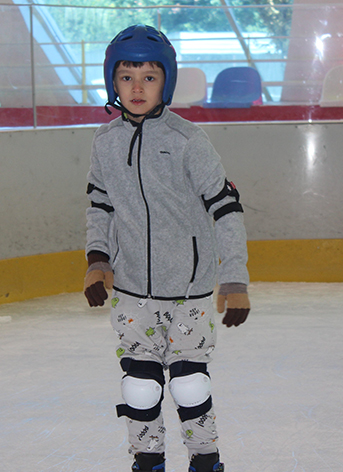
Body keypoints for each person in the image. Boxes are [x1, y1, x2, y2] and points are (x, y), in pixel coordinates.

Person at [83, 25, 251, 472]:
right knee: (139, 388)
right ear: (112, 81)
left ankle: (205, 461)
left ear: (167, 82)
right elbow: (100, 205)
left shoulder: (188, 141)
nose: (137, 88)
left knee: (189, 384)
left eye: (149, 77)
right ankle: (148, 462)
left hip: (188, 292)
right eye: (126, 77)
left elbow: (227, 210)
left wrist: (234, 279)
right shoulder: (105, 141)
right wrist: (97, 259)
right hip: (132, 289)